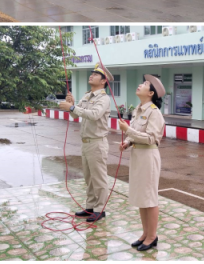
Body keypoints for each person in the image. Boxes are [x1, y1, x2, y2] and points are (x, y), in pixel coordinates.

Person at [58, 63, 112, 222]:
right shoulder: (87, 96)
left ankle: (100, 209)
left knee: (99, 178)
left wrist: (73, 107)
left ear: (103, 81)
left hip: (97, 142)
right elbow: (75, 115)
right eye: (92, 73)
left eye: (96, 74)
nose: (91, 75)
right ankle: (90, 207)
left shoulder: (104, 99)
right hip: (86, 142)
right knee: (89, 177)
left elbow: (94, 115)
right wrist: (72, 105)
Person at [118, 75, 166, 252]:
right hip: (138, 155)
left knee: (150, 197)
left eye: (144, 84)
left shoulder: (154, 112)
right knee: (141, 196)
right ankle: (145, 233)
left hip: (148, 156)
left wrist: (127, 130)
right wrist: (127, 142)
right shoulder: (138, 109)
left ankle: (152, 236)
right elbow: (137, 134)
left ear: (151, 93)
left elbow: (152, 138)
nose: (140, 85)